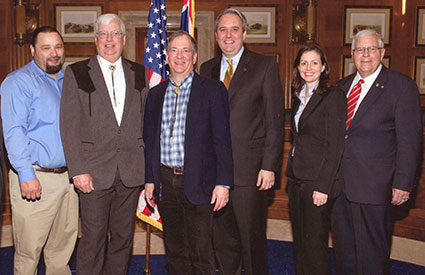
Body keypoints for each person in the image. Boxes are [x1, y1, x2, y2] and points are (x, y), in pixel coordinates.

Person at [60, 14, 148, 275]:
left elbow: (146, 121)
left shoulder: (140, 73)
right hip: (93, 173)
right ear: (95, 39)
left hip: (131, 172)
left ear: (123, 38)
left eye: (114, 34)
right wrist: (77, 170)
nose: (109, 40)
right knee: (94, 239)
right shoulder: (76, 73)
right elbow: (69, 125)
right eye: (103, 34)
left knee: (123, 240)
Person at [200, 8, 284, 275]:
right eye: (223, 30)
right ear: (215, 36)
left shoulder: (264, 66)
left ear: (245, 34)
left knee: (251, 241)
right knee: (222, 241)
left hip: (250, 172)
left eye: (234, 29)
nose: (228, 35)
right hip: (214, 173)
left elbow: (274, 120)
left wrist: (269, 166)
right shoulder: (207, 68)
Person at [331, 29, 422, 275]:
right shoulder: (341, 87)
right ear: (352, 55)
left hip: (376, 188)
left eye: (371, 49)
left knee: (372, 258)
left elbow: (410, 141)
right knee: (345, 254)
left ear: (382, 52)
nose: (366, 55)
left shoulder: (401, 87)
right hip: (340, 188)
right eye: (360, 49)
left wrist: (403, 183)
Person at [144, 30, 233, 275]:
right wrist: (150, 179)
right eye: (174, 50)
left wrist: (223, 183)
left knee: (201, 254)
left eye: (185, 51)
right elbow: (151, 142)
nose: (179, 56)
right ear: (166, 56)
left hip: (200, 183)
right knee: (175, 252)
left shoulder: (212, 90)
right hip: (165, 183)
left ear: (194, 57)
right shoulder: (155, 95)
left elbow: (223, 140)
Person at [0, 26, 78, 275]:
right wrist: (25, 174)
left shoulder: (69, 81)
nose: (53, 53)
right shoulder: (18, 82)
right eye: (46, 48)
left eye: (58, 47)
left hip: (68, 181)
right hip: (36, 178)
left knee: (61, 253)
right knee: (28, 254)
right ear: (33, 50)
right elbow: (14, 132)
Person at [285, 44, 346, 275]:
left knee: (315, 245)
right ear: (297, 67)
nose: (308, 67)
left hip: (317, 183)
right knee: (300, 242)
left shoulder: (334, 96)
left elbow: (335, 146)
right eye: (303, 63)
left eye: (314, 62)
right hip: (296, 179)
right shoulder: (299, 95)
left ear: (323, 67)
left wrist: (323, 186)